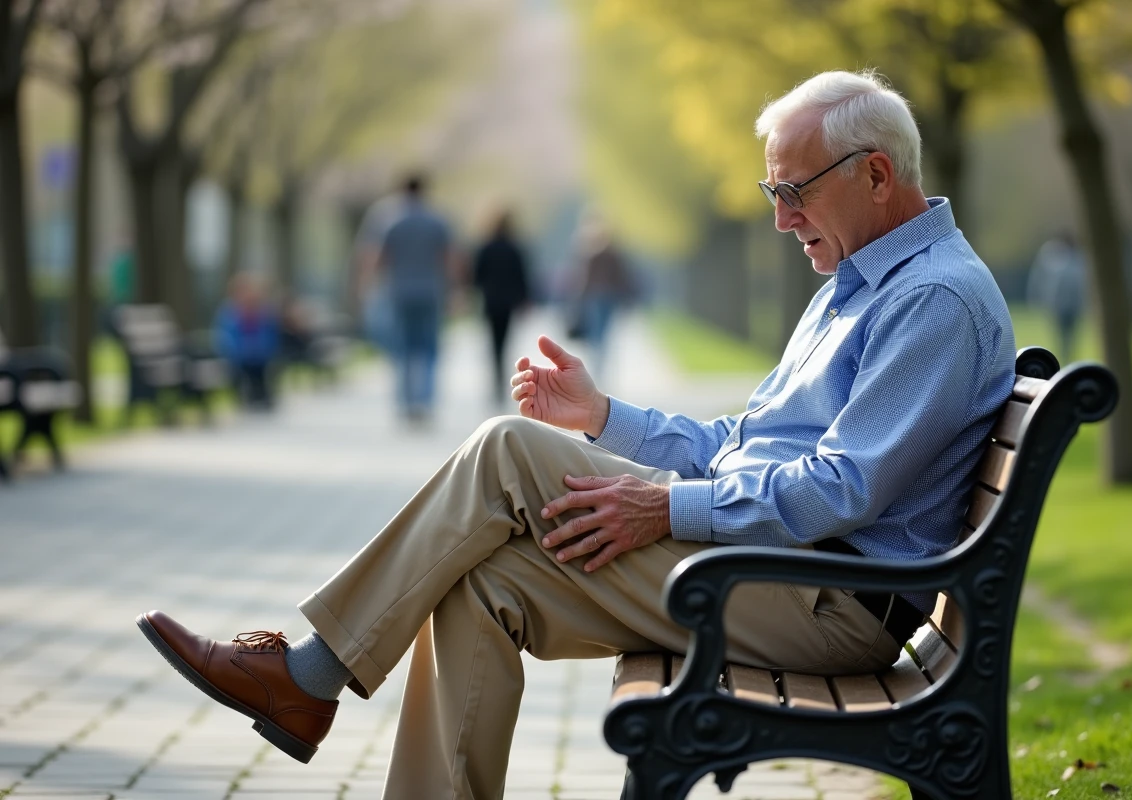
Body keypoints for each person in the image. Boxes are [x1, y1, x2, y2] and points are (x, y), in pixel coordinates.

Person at [136, 70, 1015, 799]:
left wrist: (666, 507)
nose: (782, 216)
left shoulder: (929, 299)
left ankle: (310, 676)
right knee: (480, 581)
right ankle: (321, 694)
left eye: (795, 190)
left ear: (874, 175)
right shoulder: (858, 285)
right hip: (776, 575)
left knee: (505, 451)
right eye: (772, 190)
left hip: (822, 598)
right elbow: (741, 443)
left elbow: (840, 488)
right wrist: (603, 419)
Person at [375, 174, 453, 421]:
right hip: (431, 291)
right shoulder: (437, 221)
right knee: (429, 349)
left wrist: (373, 284)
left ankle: (405, 403)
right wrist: (455, 289)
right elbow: (449, 258)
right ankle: (425, 402)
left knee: (403, 348)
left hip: (399, 292)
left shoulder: (391, 221)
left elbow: (379, 257)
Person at [473, 210, 531, 404]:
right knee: (504, 343)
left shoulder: (486, 247)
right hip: (507, 303)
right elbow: (521, 276)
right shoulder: (514, 248)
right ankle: (501, 381)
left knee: (493, 344)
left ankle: (496, 382)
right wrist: (524, 300)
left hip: (491, 301)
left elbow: (477, 276)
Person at [570, 219, 635, 380]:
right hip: (610, 297)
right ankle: (601, 365)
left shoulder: (591, 253)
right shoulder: (614, 254)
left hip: (596, 297)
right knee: (604, 332)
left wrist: (579, 299)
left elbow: (585, 279)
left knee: (596, 332)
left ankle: (597, 365)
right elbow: (622, 278)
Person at [214, 274, 280, 409]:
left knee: (261, 369)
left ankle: (261, 394)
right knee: (242, 370)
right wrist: (239, 350)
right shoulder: (229, 313)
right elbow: (225, 338)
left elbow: (271, 335)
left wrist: (261, 348)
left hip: (260, 356)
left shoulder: (264, 312)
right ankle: (248, 394)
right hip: (239, 356)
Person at [1026, 231, 1087, 361]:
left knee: (1070, 335)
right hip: (1061, 305)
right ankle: (1065, 357)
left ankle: (1068, 357)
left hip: (1071, 304)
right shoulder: (1055, 257)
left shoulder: (1075, 260)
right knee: (1063, 335)